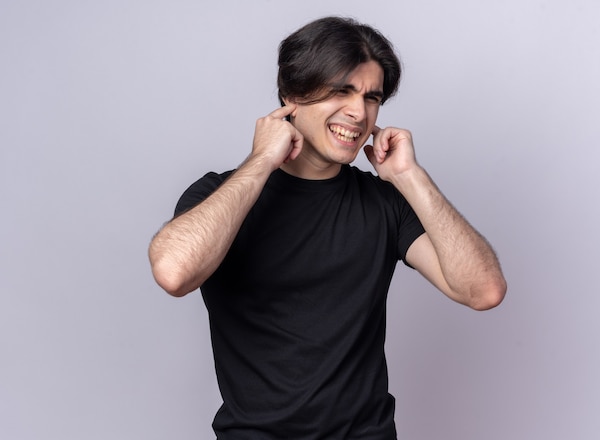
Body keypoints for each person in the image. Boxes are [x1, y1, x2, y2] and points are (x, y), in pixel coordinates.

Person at [149, 16, 506, 440]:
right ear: (292, 94)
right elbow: (173, 273)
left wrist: (411, 177)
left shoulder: (385, 204)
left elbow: (483, 290)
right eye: (342, 90)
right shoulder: (218, 195)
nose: (359, 112)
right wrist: (261, 160)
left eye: (371, 97)